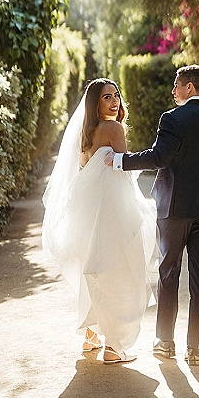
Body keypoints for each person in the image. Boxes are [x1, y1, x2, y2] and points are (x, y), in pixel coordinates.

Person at [108, 64, 199, 367]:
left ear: (190, 87)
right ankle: (194, 349)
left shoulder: (172, 118)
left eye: (177, 85)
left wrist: (119, 161)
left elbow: (158, 157)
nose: (173, 91)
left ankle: (165, 342)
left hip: (175, 209)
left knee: (169, 272)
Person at [42, 78, 155, 364]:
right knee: (117, 270)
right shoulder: (113, 128)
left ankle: (91, 336)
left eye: (116, 95)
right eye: (107, 97)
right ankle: (114, 347)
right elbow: (123, 166)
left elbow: (86, 168)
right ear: (96, 103)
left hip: (88, 208)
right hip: (111, 207)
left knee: (92, 268)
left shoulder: (85, 132)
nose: (115, 101)